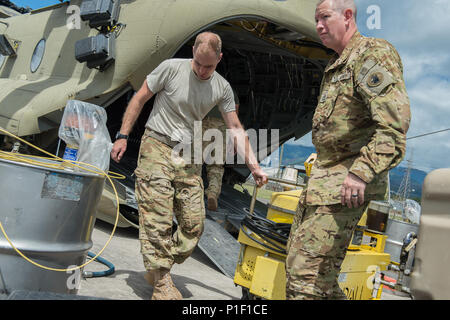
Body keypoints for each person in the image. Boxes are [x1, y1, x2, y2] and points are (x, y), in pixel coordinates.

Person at [110, 31, 268, 300]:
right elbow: (139, 98)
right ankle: (161, 281)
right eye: (198, 64)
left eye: (209, 65)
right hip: (156, 146)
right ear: (193, 52)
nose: (203, 70)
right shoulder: (171, 69)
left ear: (219, 58)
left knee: (194, 225)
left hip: (188, 154)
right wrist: (123, 136)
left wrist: (254, 166)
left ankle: (160, 263)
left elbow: (235, 128)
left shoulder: (222, 87)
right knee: (157, 217)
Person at [285, 0, 410, 300]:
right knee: (308, 274)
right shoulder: (335, 65)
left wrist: (361, 173)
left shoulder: (371, 54)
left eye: (325, 17)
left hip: (345, 185)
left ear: (349, 16)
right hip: (323, 182)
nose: (318, 26)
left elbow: (394, 126)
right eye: (316, 19)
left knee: (306, 280)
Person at [199, 90, 240, 211]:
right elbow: (234, 116)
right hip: (222, 127)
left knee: (195, 162)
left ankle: (193, 193)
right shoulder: (232, 93)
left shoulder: (207, 85)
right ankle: (213, 193)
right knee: (216, 165)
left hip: (204, 123)